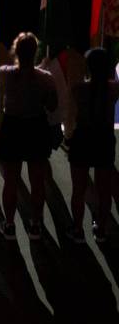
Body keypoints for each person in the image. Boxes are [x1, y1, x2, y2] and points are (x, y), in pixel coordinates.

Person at [0, 32, 58, 241]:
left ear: (16, 51)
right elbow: (52, 106)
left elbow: (3, 100)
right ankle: (36, 224)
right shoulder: (45, 78)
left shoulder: (4, 72)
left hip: (12, 129)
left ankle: (10, 224)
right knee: (37, 181)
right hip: (35, 130)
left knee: (11, 182)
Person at [66, 47, 118, 244]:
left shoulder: (79, 89)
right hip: (104, 140)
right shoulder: (113, 89)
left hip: (83, 139)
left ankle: (77, 228)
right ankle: (101, 229)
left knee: (78, 189)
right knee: (104, 190)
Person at [66, 0, 98, 135]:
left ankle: (69, 133)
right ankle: (95, 130)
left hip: (75, 50)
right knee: (97, 92)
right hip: (98, 48)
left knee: (73, 93)